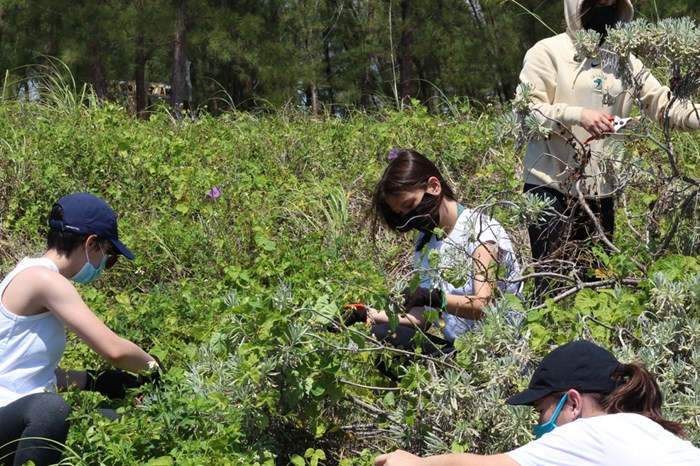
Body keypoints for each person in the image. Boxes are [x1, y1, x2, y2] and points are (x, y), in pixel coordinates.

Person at [520, 0, 700, 298]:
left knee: (597, 286)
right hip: (549, 188)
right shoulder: (548, 51)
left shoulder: (626, 61)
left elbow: (664, 106)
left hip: (601, 191)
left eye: (612, 3)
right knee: (553, 286)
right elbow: (528, 112)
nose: (605, 8)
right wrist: (578, 115)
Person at [0, 193, 163, 466]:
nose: (104, 266)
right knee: (50, 410)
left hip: (8, 417)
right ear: (91, 243)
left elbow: (22, 372)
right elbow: (114, 350)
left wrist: (93, 380)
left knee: (101, 417)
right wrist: (155, 367)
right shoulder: (43, 279)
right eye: (108, 256)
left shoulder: (27, 274)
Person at [374, 339, 700, 465]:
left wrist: (414, 462)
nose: (539, 422)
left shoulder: (592, 433)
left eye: (542, 409)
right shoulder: (652, 432)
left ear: (573, 403)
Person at [344, 150, 521, 359]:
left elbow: (483, 305)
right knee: (382, 335)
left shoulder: (481, 230)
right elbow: (423, 319)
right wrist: (366, 314)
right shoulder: (426, 243)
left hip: (500, 348)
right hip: (461, 349)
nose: (410, 218)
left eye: (410, 205)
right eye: (402, 214)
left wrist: (436, 298)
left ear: (434, 186)